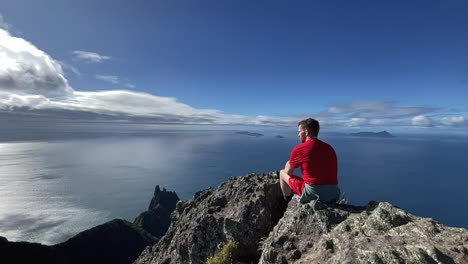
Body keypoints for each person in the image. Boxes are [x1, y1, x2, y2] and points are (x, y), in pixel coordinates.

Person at [279, 118, 340, 203]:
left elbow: (288, 172)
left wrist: (288, 163)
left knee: (282, 173)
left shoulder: (299, 149)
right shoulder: (329, 148)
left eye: (299, 131)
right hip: (334, 194)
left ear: (306, 132)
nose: (298, 135)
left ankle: (286, 202)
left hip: (314, 194)